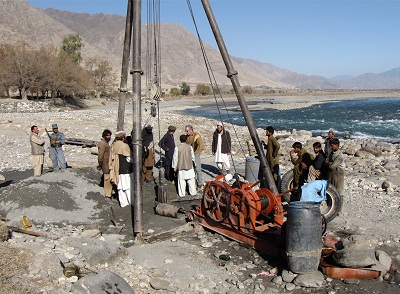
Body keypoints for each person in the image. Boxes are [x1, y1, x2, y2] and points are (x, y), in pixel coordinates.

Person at [109, 131, 133, 207]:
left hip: (116, 169)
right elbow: (129, 158)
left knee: (120, 187)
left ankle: (123, 204)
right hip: (125, 169)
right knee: (128, 187)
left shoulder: (113, 145)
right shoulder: (124, 146)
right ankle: (131, 203)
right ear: (123, 137)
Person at [185, 124, 205, 188]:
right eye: (186, 131)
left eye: (187, 131)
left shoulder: (197, 136)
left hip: (195, 154)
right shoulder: (187, 137)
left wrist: (197, 153)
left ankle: (200, 183)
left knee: (198, 169)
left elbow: (201, 146)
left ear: (191, 130)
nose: (186, 132)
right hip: (189, 155)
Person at [98, 129, 113, 201]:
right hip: (105, 164)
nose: (109, 137)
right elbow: (100, 155)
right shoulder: (102, 143)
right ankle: (107, 195)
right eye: (107, 135)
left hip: (108, 163)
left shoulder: (106, 143)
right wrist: (101, 164)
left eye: (109, 135)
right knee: (107, 179)